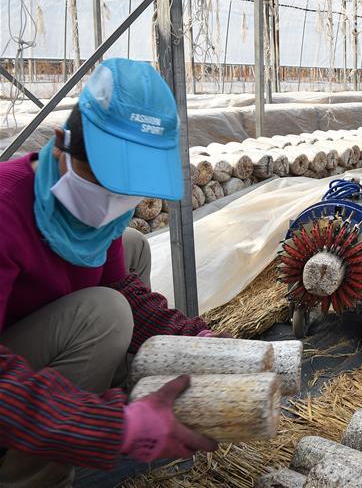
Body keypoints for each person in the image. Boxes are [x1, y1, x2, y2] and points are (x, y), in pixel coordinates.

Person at [0, 58, 220, 487]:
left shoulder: (96, 220)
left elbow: (123, 288)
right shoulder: (6, 208)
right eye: (102, 179)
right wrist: (115, 428)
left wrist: (196, 339)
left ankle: (107, 391)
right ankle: (33, 474)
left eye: (126, 190)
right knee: (105, 314)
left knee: (131, 248)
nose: (112, 200)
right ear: (61, 146)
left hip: (31, 346)